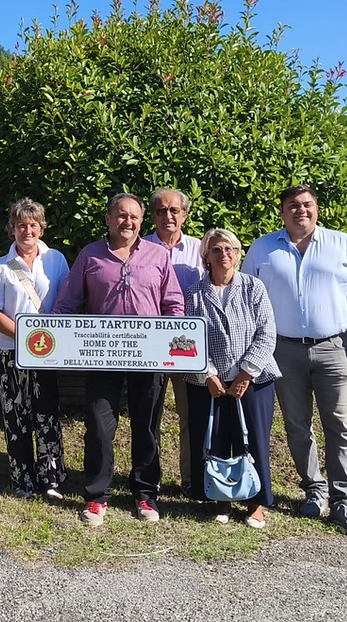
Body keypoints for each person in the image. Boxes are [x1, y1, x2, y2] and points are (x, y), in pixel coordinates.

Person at [242, 185, 347, 535]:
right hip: (283, 349)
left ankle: (343, 500)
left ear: (317, 209)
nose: (301, 210)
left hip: (334, 348)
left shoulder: (345, 244)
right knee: (297, 425)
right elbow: (248, 296)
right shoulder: (263, 248)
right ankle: (314, 488)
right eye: (293, 205)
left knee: (341, 425)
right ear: (282, 212)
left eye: (307, 204)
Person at [53, 192, 184, 526]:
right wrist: (52, 338)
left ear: (141, 222)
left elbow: (173, 304)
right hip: (102, 354)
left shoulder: (158, 255)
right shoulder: (90, 255)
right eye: (122, 215)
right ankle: (97, 497)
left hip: (150, 357)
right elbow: (68, 303)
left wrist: (170, 344)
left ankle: (145, 495)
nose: (128, 222)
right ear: (109, 219)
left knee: (147, 426)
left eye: (134, 217)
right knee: (99, 426)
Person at [183, 228, 280, 528]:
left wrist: (246, 373)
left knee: (253, 441)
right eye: (216, 250)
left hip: (254, 380)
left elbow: (267, 333)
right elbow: (189, 339)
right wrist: (208, 375)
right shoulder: (193, 293)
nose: (223, 254)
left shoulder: (254, 287)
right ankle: (221, 499)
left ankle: (255, 503)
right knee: (215, 441)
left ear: (238, 255)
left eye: (230, 249)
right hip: (209, 383)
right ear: (206, 256)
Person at [0, 198, 69, 499]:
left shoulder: (56, 260)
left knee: (47, 412)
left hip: (48, 351)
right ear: (12, 229)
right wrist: (25, 339)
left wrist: (45, 341)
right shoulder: (0, 266)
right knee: (16, 414)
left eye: (33, 225)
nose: (27, 231)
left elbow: (66, 302)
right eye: (21, 225)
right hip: (10, 349)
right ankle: (22, 478)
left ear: (41, 228)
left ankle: (50, 478)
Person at [144, 187, 205, 498]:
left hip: (188, 347)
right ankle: (148, 479)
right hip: (150, 344)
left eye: (174, 210)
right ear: (152, 215)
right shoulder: (139, 248)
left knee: (190, 415)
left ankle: (191, 478)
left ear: (185, 214)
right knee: (149, 415)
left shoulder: (201, 250)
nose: (168, 216)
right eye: (161, 210)